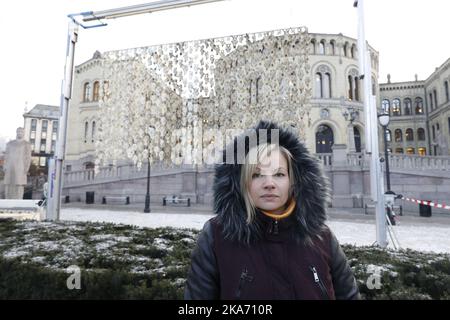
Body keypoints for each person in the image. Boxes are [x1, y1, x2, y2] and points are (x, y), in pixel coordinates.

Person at [184, 121, 360, 300]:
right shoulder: (216, 236)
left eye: (279, 174)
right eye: (257, 174)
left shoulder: (322, 237)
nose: (269, 184)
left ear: (293, 181)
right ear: (242, 182)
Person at [3, 127, 32, 199]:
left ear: (23, 133)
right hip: (10, 167)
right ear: (16, 132)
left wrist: (26, 168)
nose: (19, 133)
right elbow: (6, 156)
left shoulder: (26, 144)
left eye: (21, 132)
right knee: (8, 184)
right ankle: (8, 200)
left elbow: (28, 158)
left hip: (20, 168)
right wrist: (5, 165)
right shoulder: (10, 143)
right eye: (18, 131)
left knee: (18, 184)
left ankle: (18, 200)